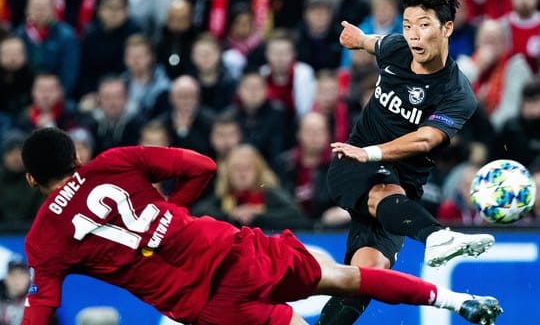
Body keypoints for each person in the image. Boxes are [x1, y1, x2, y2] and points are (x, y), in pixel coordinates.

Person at [20, 127, 502, 325]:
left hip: (206, 303)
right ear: (77, 157)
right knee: (343, 277)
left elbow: (42, 309)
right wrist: (177, 211)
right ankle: (457, 301)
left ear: (30, 179)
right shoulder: (115, 162)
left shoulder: (43, 239)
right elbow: (203, 167)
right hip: (229, 247)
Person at [317, 0, 499, 324]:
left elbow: (424, 141)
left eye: (424, 25)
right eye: (407, 25)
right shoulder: (398, 48)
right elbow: (373, 43)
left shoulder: (457, 94)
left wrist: (373, 153)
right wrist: (357, 38)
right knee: (385, 188)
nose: (414, 35)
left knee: (366, 276)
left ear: (447, 28)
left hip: (399, 190)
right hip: (352, 163)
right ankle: (436, 238)